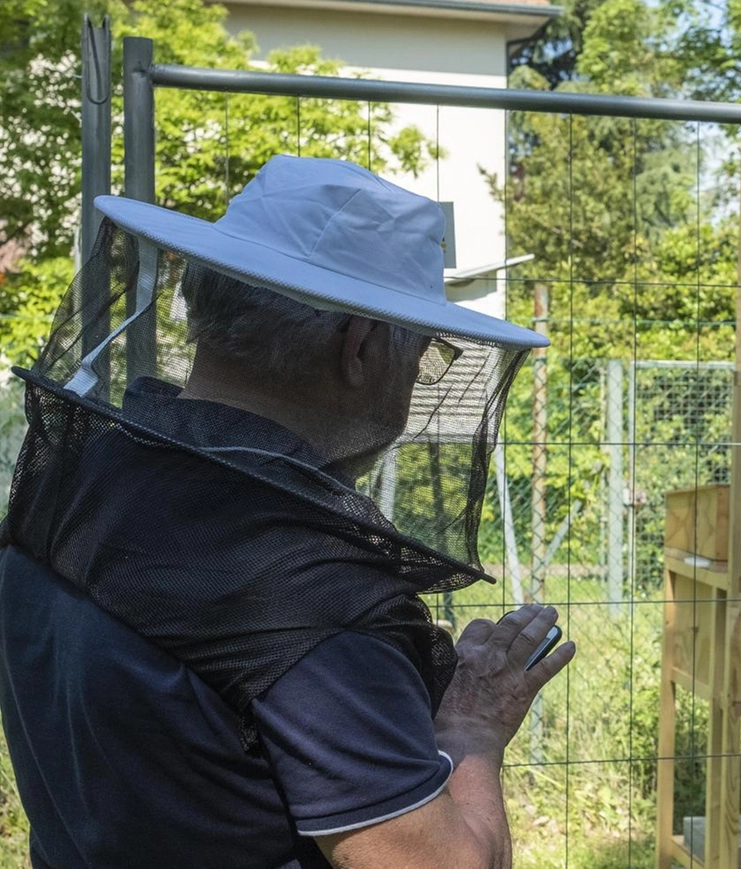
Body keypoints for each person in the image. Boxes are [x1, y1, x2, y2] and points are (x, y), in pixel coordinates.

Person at [0, 156, 575, 868]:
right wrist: (471, 729)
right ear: (362, 346)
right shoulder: (307, 595)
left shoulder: (81, 481)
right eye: (424, 355)